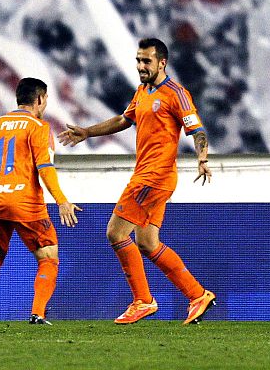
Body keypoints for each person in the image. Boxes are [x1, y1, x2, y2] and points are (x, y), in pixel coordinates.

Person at [58, 37, 215, 325]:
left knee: (116, 233)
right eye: (139, 60)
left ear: (162, 63)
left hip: (154, 177)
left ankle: (143, 300)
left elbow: (197, 130)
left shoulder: (177, 94)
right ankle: (197, 295)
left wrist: (202, 159)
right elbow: (124, 120)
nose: (141, 66)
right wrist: (88, 132)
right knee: (147, 242)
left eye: (146, 61)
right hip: (150, 175)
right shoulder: (142, 91)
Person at [0, 77, 82, 325]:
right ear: (40, 99)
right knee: (48, 256)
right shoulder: (39, 127)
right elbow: (45, 167)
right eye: (46, 99)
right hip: (26, 203)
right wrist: (62, 201)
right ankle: (37, 313)